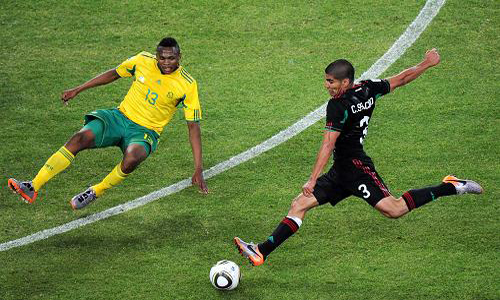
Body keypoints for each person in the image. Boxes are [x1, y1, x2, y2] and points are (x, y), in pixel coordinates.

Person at [234, 49, 483, 266]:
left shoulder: (338, 106)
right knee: (299, 205)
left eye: (331, 82)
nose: (327, 86)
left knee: (393, 210)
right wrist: (426, 63)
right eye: (326, 81)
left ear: (345, 82)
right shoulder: (368, 88)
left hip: (356, 168)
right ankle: (260, 251)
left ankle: (450, 186)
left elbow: (327, 145)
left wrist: (311, 180)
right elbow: (402, 79)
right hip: (341, 171)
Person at [8, 37, 208, 209]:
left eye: (171, 58)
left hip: (145, 131)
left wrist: (198, 167)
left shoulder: (187, 84)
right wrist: (79, 89)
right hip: (119, 117)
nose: (166, 62)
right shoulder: (142, 60)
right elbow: (114, 73)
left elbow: (193, 127)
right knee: (79, 138)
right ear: (156, 56)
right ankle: (33, 186)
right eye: (162, 58)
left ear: (179, 57)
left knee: (132, 158)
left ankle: (96, 190)